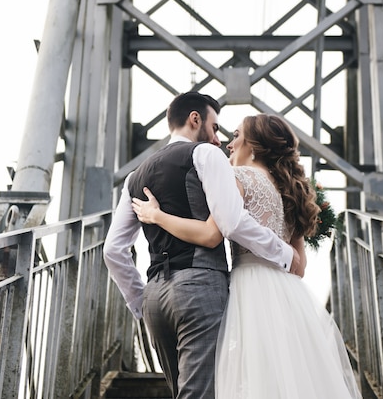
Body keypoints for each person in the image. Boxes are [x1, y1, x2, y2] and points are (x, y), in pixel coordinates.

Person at [132, 113, 362, 399]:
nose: (229, 144)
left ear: (253, 145)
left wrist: (157, 216)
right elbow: (299, 266)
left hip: (246, 290)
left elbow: (209, 234)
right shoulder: (292, 190)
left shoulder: (236, 179)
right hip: (289, 295)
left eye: (237, 136)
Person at [103, 93, 301, 399]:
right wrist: (286, 254)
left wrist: (139, 302)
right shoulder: (206, 156)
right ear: (195, 119)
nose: (219, 139)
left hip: (155, 297)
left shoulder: (133, 178)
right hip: (199, 288)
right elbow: (231, 223)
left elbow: (113, 251)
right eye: (216, 127)